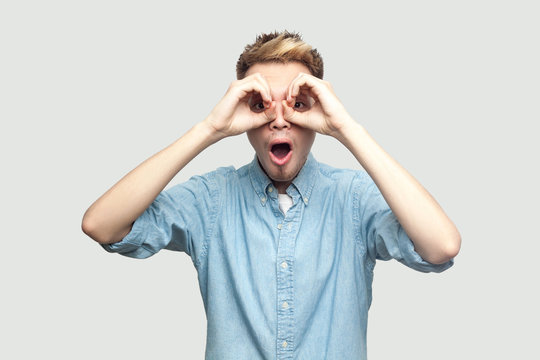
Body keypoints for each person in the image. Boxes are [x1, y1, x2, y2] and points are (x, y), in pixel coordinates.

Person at [82, 31, 461, 360]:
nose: (279, 120)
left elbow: (441, 245)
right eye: (261, 105)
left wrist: (345, 127)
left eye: (297, 105)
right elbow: (102, 225)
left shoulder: (353, 198)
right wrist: (210, 128)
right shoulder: (211, 199)